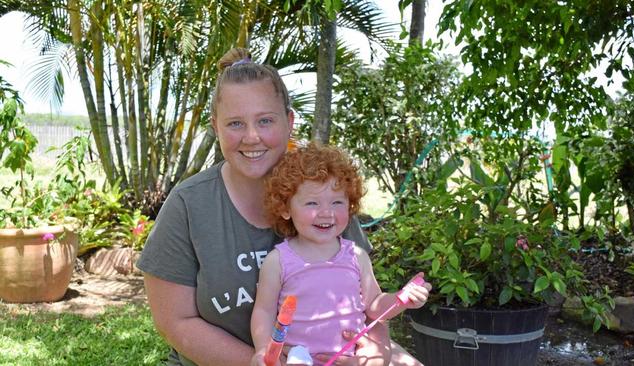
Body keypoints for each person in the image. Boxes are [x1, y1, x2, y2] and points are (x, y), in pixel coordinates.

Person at [137, 47, 424, 366]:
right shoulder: (189, 205)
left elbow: (363, 297)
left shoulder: (325, 192)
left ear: (289, 121)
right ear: (215, 126)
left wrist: (377, 352)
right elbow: (175, 323)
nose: (251, 137)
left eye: (265, 120)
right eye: (235, 123)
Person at [251, 143, 432, 366]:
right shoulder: (278, 261)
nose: (326, 212)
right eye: (311, 203)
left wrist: (401, 299)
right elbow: (264, 311)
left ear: (350, 205)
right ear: (286, 209)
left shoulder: (356, 256)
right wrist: (263, 350)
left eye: (337, 202)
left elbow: (374, 305)